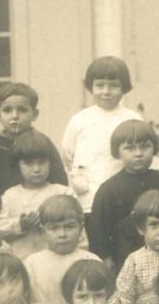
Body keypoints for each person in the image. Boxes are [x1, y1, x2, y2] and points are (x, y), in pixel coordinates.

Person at [87, 119, 159, 271]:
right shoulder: (109, 189)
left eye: (145, 147)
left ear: (154, 148)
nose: (138, 153)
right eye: (129, 148)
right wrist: (106, 259)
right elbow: (98, 230)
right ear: (117, 151)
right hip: (124, 259)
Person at [61, 56, 144, 213]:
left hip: (123, 195)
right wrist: (78, 180)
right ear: (90, 86)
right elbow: (68, 155)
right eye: (99, 85)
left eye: (114, 86)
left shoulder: (133, 119)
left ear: (124, 88)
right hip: (88, 197)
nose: (106, 92)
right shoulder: (80, 120)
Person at [0, 82, 68, 194]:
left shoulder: (43, 143)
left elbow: (60, 181)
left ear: (35, 114)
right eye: (7, 110)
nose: (14, 116)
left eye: (22, 110)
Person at [0, 131, 76, 259]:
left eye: (42, 162)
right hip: (21, 262)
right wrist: (20, 224)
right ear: (18, 165)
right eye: (29, 163)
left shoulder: (63, 193)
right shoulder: (9, 196)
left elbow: (77, 230)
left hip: (56, 260)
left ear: (50, 163)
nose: (36, 169)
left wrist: (51, 222)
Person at [24, 195, 101, 304]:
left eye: (69, 227)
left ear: (81, 229)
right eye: (54, 228)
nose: (62, 234)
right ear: (43, 232)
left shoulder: (91, 261)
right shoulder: (32, 263)